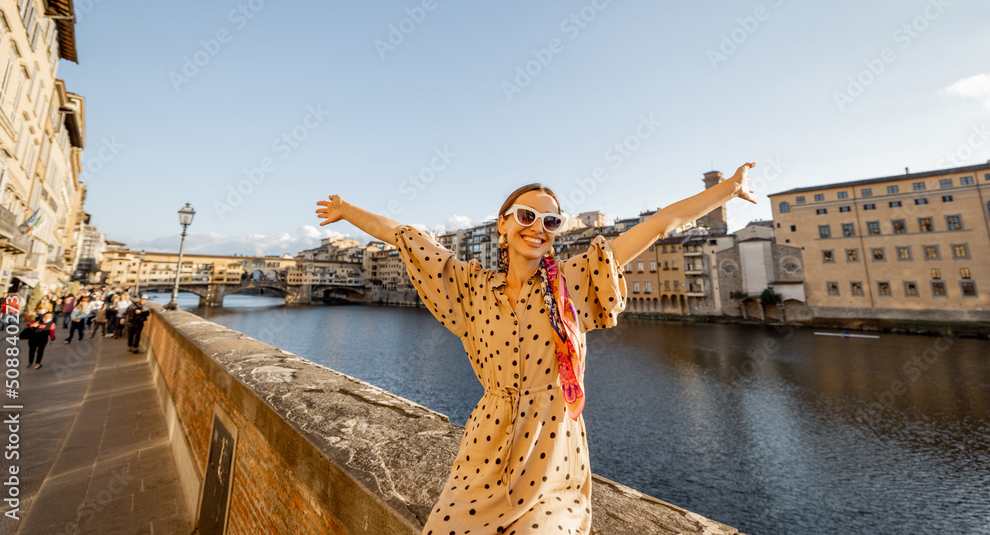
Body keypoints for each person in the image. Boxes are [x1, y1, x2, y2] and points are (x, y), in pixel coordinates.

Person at [315, 163, 757, 534]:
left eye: (550, 221)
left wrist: (726, 190)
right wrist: (346, 210)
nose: (538, 228)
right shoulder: (471, 287)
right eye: (527, 216)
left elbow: (660, 224)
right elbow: (406, 237)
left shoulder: (573, 282)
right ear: (503, 223)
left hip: (552, 452)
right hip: (484, 448)